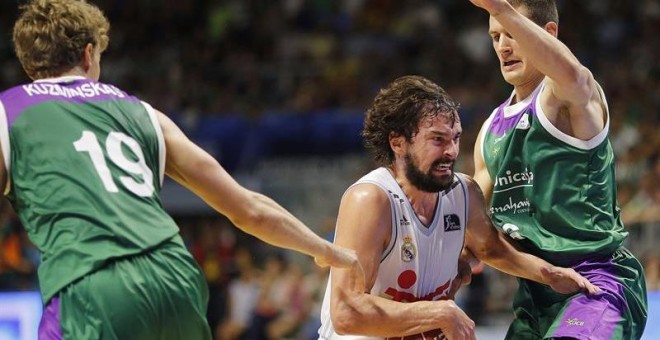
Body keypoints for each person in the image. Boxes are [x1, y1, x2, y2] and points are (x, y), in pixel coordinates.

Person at [2, 1, 364, 339]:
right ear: (88, 54)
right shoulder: (144, 113)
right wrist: (326, 250)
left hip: (90, 283)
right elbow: (248, 209)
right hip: (175, 277)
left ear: (29, 65)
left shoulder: (9, 111)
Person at [318, 75, 599, 340]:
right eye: (438, 139)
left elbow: (491, 249)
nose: (452, 151)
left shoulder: (462, 192)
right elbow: (346, 313)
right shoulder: (372, 199)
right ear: (398, 143)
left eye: (456, 137)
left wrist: (548, 274)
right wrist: (440, 312)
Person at [469, 0, 648, 339]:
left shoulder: (565, 96)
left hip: (597, 283)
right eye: (495, 37)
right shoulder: (489, 130)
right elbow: (472, 219)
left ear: (548, 33)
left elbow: (573, 74)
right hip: (535, 295)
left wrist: (500, 7)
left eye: (512, 33)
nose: (503, 46)